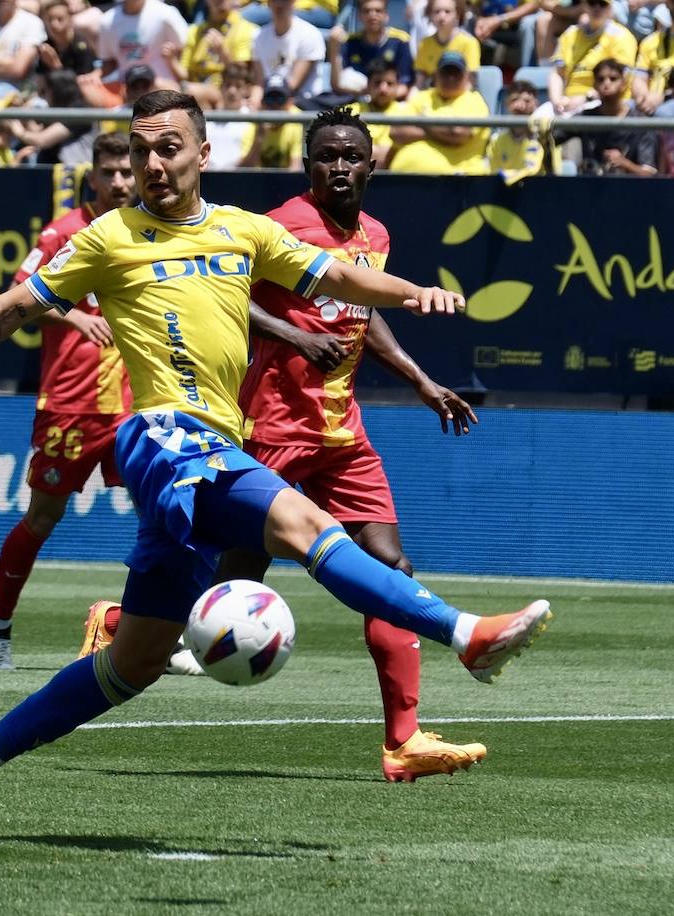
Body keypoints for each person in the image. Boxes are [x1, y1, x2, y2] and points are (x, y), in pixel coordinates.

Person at [0, 89, 552, 838]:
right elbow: (9, 311)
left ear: (203, 154)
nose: (152, 163)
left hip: (216, 445)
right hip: (164, 437)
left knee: (133, 664)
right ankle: (465, 635)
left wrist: (415, 292)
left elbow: (338, 279)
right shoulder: (109, 237)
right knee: (307, 526)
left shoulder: (244, 231)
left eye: (167, 147)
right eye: (140, 149)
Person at [84, 107, 491, 780]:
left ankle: (404, 739)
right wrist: (295, 335)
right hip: (272, 421)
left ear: (372, 165)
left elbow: (359, 312)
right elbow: (224, 295)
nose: (339, 166)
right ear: (307, 165)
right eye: (326, 156)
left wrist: (420, 380)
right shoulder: (279, 224)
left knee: (391, 563)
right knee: (236, 572)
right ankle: (123, 623)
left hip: (341, 429)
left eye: (351, 156)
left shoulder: (375, 234)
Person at [0, 132, 172, 671]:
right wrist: (77, 316)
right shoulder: (63, 232)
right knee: (43, 517)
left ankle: (155, 634)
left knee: (160, 517)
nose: (120, 181)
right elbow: (17, 296)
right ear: (92, 176)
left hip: (136, 404)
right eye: (109, 172)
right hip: (72, 403)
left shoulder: (151, 229)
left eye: (126, 172)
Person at [389, 50, 491, 174]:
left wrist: (422, 122)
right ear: (435, 75)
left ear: (467, 76)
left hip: (455, 179)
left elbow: (458, 133)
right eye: (445, 73)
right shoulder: (422, 97)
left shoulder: (474, 101)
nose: (450, 78)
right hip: (403, 177)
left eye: (456, 73)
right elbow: (396, 131)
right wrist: (441, 132)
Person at [547, 0, 636, 113]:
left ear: (610, 8)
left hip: (604, 102)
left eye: (603, 4)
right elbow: (557, 73)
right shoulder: (570, 34)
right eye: (592, 3)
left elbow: (620, 80)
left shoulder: (621, 36)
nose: (597, 8)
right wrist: (557, 102)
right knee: (539, 119)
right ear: (584, 6)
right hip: (567, 101)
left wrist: (586, 97)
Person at [572, 58, 656, 174]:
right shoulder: (585, 118)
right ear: (594, 85)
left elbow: (648, 174)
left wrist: (624, 163)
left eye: (613, 79)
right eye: (601, 79)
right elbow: (552, 136)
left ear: (624, 83)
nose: (606, 83)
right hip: (590, 184)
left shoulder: (641, 123)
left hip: (629, 185)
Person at [179, 0, 259, 108]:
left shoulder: (246, 29)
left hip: (225, 92)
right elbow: (184, 73)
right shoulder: (194, 31)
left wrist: (223, 53)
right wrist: (170, 60)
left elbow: (242, 75)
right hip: (194, 91)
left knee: (187, 90)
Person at [96, 0, 187, 93]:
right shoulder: (107, 20)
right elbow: (109, 61)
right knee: (91, 89)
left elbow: (184, 51)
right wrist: (94, 77)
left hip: (162, 87)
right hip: (127, 88)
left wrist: (171, 59)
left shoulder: (167, 14)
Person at [329, 0, 414, 99]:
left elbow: (404, 87)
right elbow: (337, 85)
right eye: (367, 11)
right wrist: (334, 50)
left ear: (386, 15)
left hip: (389, 102)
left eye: (378, 11)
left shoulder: (400, 41)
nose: (372, 15)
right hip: (357, 100)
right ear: (359, 16)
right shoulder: (349, 42)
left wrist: (376, 97)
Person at [252, 0, 325, 100]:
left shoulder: (310, 34)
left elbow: (293, 85)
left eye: (285, 0)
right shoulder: (258, 36)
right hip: (268, 98)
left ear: (293, 2)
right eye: (274, 0)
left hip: (302, 100)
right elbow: (259, 83)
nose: (279, 4)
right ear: (268, 3)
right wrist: (254, 100)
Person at [486, 78, 555, 181]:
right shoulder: (496, 140)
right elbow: (493, 172)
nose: (520, 106)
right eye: (514, 100)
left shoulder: (543, 137)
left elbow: (532, 171)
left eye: (527, 101)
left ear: (536, 104)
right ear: (506, 103)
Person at [239, 74, 304, 169]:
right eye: (269, 99)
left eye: (280, 99)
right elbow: (244, 170)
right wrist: (259, 138)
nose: (274, 105)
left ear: (289, 103)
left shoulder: (297, 119)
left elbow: (295, 168)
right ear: (262, 103)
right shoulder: (253, 123)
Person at [415, 0, 482, 88]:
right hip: (433, 94)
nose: (441, 16)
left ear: (458, 15)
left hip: (461, 94)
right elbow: (420, 83)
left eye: (447, 11)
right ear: (430, 15)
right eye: (437, 11)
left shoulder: (469, 43)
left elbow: (470, 84)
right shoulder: (424, 44)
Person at [354, 59, 406, 167]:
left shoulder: (407, 112)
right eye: (377, 83)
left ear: (397, 86)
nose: (383, 89)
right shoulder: (350, 112)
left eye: (389, 83)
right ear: (368, 85)